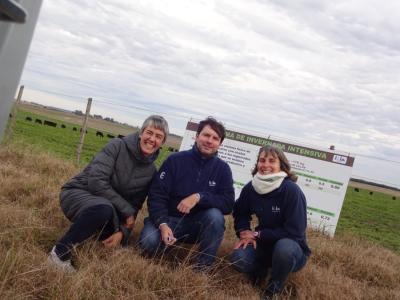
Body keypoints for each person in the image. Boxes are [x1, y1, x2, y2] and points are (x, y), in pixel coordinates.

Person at [47, 115, 169, 272]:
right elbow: (96, 181)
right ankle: (59, 254)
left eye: (158, 136)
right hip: (79, 192)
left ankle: (94, 234)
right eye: (149, 132)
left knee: (112, 229)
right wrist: (126, 210)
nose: (152, 139)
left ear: (162, 143)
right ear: (141, 133)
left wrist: (122, 234)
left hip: (108, 206)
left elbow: (134, 207)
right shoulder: (116, 146)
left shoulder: (152, 172)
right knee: (103, 209)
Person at [138, 117, 235, 271]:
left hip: (196, 225)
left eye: (215, 138)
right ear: (196, 136)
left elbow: (228, 203)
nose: (209, 141)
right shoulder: (174, 160)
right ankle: (165, 245)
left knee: (215, 216)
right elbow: (157, 195)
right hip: (168, 220)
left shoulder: (223, 169)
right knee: (149, 242)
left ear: (220, 144)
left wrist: (199, 197)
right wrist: (162, 224)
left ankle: (202, 267)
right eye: (206, 135)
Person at [230, 145, 311, 299]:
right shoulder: (252, 187)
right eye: (262, 160)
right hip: (263, 245)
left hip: (292, 249)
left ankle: (273, 290)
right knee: (239, 259)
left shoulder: (291, 190)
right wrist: (244, 232)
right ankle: (259, 273)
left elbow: (295, 232)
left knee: (284, 248)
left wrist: (258, 233)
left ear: (282, 165)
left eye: (272, 161)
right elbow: (240, 212)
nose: (265, 165)